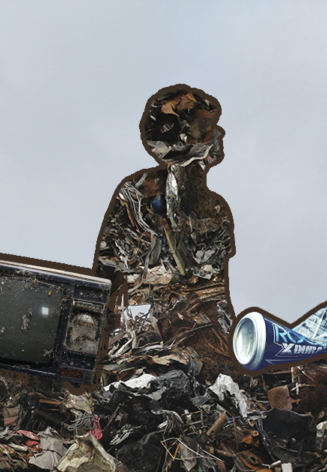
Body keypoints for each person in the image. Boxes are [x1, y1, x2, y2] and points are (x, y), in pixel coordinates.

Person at [93, 86, 235, 380]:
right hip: (146, 334)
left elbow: (215, 286)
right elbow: (106, 271)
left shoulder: (216, 210)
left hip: (201, 336)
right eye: (202, 132)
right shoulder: (136, 193)